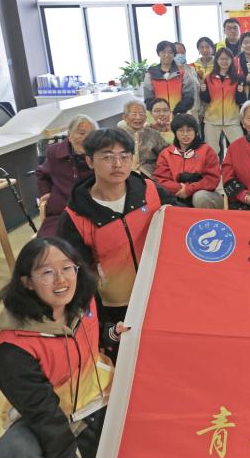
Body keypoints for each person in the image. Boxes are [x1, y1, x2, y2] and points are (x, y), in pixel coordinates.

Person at [0, 237, 125, 458]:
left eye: (67, 268)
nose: (61, 280)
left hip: (95, 397)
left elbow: (89, 331)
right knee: (13, 455)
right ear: (27, 282)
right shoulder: (13, 351)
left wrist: (111, 333)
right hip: (47, 414)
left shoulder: (83, 299)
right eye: (47, 272)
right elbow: (46, 418)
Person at [58, 128, 174, 322]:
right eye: (107, 157)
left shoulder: (150, 190)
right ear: (89, 161)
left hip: (162, 291)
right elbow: (77, 274)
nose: (118, 164)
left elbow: (180, 221)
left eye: (124, 156)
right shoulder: (76, 216)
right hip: (116, 305)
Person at [36, 115, 95, 238]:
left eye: (91, 134)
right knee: (49, 245)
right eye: (81, 133)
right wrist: (45, 192)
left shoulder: (99, 154)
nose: (87, 138)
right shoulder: (55, 152)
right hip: (61, 212)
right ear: (70, 135)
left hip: (92, 211)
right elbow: (42, 173)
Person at [153, 114, 223, 209]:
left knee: (200, 197)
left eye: (189, 130)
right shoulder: (166, 153)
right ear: (175, 132)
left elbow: (212, 179)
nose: (185, 134)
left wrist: (189, 189)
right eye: (181, 130)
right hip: (177, 193)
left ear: (195, 131)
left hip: (205, 194)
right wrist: (179, 188)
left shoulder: (207, 151)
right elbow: (161, 180)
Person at [200, 47, 245, 160]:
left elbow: (241, 100)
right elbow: (206, 99)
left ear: (231, 60)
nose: (224, 61)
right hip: (212, 120)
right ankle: (214, 171)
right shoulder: (209, 77)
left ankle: (236, 170)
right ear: (217, 60)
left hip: (232, 120)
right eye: (221, 59)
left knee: (240, 149)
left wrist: (241, 92)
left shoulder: (238, 78)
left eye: (227, 59)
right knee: (212, 153)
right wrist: (203, 91)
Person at [143, 40, 197, 115]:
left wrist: (176, 112)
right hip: (159, 116)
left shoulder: (183, 72)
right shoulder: (151, 74)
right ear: (158, 53)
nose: (167, 55)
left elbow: (189, 97)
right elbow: (148, 99)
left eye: (170, 52)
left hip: (180, 114)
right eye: (163, 52)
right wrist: (160, 112)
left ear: (174, 54)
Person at [119, 100, 167, 178]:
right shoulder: (117, 135)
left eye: (141, 114)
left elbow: (166, 154)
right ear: (125, 117)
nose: (138, 117)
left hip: (150, 174)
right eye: (134, 114)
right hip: (124, 175)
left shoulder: (154, 134)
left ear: (145, 117)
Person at [190, 36, 216, 120]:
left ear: (212, 49)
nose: (205, 50)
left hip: (215, 103)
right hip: (199, 104)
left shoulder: (218, 63)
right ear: (198, 49)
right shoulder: (193, 66)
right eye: (201, 47)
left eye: (207, 47)